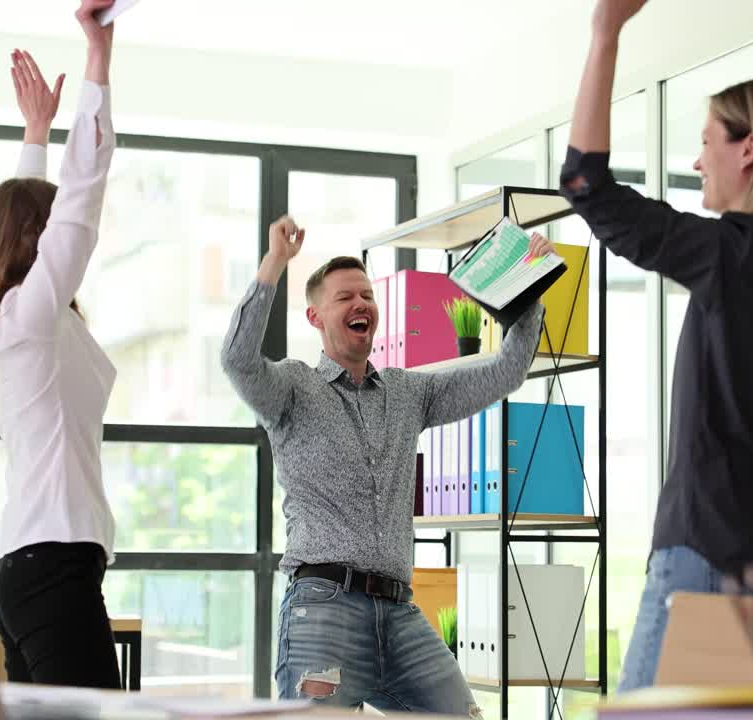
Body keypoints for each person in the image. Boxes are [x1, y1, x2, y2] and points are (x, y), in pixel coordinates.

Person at [558, 0, 753, 691]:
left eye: (708, 142)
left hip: (704, 556)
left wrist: (605, 32)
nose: (698, 160)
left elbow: (585, 184)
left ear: (749, 149)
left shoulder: (727, 255)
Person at [221, 216, 553, 715]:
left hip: (399, 613)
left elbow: (507, 371)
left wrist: (528, 292)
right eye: (344, 298)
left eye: (367, 297)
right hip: (324, 607)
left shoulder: (409, 391)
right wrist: (275, 263)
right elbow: (238, 360)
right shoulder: (292, 388)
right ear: (315, 318)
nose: (361, 305)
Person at [0, 0, 122, 688]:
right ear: (37, 244)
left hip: (26, 570)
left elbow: (32, 210)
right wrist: (99, 58)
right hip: (54, 566)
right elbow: (80, 200)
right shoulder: (31, 316)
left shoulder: (10, 320)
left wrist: (35, 131)